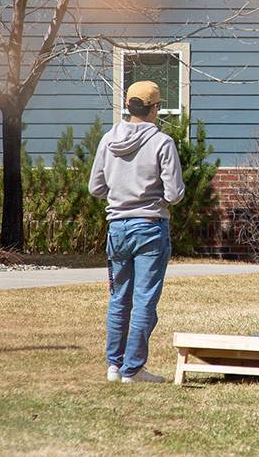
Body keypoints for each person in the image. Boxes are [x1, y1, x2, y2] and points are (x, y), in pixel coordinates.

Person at [89, 80, 185, 383]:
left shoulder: (108, 139)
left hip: (117, 227)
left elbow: (95, 187)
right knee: (144, 300)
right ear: (155, 108)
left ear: (128, 106)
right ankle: (133, 369)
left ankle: (113, 367)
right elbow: (174, 193)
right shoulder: (162, 143)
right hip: (150, 227)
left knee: (119, 298)